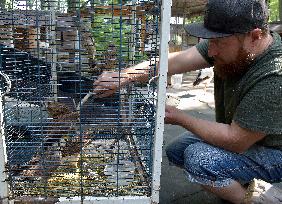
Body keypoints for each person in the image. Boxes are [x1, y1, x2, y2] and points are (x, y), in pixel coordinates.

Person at [94, 0, 282, 203]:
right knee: (177, 150)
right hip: (247, 136)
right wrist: (124, 76)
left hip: (274, 151)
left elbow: (236, 140)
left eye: (218, 43)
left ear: (255, 36)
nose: (210, 52)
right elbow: (175, 61)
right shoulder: (233, 39)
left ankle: (260, 199)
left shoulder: (274, 75)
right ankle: (240, 179)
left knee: (198, 158)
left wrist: (179, 117)